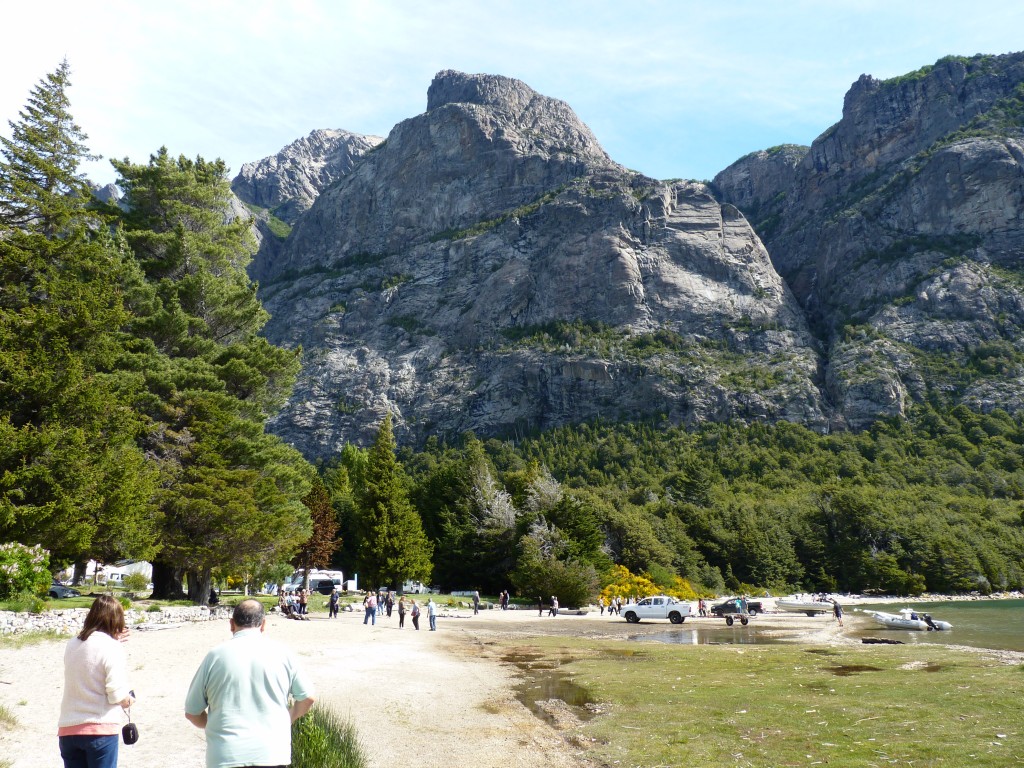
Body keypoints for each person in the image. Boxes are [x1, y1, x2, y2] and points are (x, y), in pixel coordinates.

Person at [185, 599, 315, 768]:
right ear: (263, 624)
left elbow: (192, 712)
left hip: (226, 754)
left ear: (232, 624)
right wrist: (288, 718)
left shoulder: (215, 656)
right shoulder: (282, 653)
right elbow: (308, 698)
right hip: (272, 753)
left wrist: (215, 725)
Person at [57, 594, 135, 768]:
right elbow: (116, 695)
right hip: (100, 730)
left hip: (68, 728)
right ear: (117, 621)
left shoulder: (72, 644)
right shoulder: (112, 648)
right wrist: (129, 699)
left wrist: (112, 640)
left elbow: (90, 656)